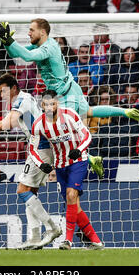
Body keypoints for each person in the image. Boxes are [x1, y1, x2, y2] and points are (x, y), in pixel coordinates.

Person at [0, 18, 139, 177]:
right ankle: (126, 112)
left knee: (58, 134)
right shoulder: (42, 45)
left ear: (42, 32)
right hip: (72, 87)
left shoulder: (48, 48)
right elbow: (19, 54)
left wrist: (9, 40)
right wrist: (7, 42)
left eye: (31, 30)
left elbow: (27, 56)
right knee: (89, 111)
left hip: (64, 97)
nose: (28, 33)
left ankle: (91, 159)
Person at [0, 73, 62, 250]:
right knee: (30, 191)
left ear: (14, 88)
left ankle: (52, 227)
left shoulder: (21, 100)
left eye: (3, 91)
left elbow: (8, 124)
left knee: (22, 189)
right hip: (39, 145)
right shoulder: (25, 100)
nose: (1, 95)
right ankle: (34, 237)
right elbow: (11, 123)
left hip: (40, 146)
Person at [28, 90, 104, 250]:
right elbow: (32, 149)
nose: (50, 107)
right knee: (73, 205)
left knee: (71, 195)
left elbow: (87, 135)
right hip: (60, 164)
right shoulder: (38, 124)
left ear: (57, 103)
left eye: (53, 103)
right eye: (46, 104)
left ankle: (67, 241)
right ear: (42, 105)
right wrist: (41, 164)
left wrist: (80, 149)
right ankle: (96, 241)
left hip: (78, 160)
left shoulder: (70, 116)